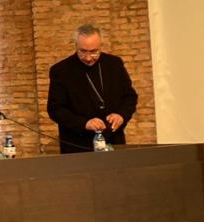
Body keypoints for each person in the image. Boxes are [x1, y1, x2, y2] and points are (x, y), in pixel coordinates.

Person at [46, 24, 138, 152]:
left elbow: (129, 97)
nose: (88, 58)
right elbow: (55, 109)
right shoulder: (61, 70)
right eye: (83, 51)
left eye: (94, 52)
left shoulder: (114, 64)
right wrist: (84, 123)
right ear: (75, 46)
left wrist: (121, 115)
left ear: (101, 46)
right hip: (77, 144)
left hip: (113, 140)